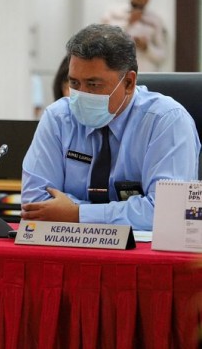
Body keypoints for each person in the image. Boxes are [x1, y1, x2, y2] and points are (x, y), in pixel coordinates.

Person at [20, 24, 200, 230]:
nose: (81, 94)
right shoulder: (58, 117)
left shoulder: (167, 121)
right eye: (75, 83)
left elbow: (168, 213)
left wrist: (77, 214)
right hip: (68, 248)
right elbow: (35, 202)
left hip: (143, 256)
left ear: (129, 83)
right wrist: (123, 213)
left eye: (93, 84)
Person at [101, 0, 168, 72]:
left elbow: (162, 55)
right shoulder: (114, 14)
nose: (140, 3)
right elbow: (103, 41)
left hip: (146, 73)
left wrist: (146, 47)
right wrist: (128, 22)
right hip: (118, 72)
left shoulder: (155, 21)